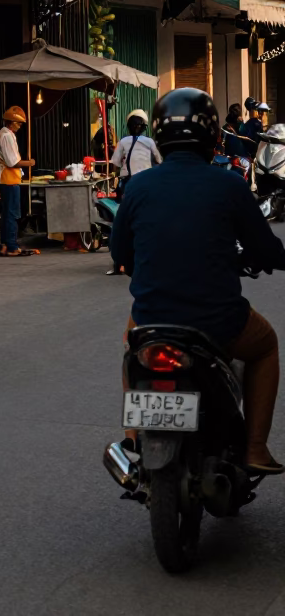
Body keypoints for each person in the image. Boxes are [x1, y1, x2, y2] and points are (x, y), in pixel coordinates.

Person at [111, 87, 285, 474]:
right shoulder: (230, 185)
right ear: (212, 136)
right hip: (218, 321)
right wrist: (273, 260)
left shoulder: (138, 187)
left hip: (155, 317)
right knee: (266, 345)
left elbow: (119, 252)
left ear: (159, 133)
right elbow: (266, 248)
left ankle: (134, 437)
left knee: (131, 342)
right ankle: (255, 448)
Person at [0, 105, 36, 258]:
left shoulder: (5, 134)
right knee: (12, 214)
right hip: (8, 179)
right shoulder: (6, 136)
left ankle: (5, 245)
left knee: (7, 214)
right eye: (18, 123)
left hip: (8, 179)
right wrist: (29, 163)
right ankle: (11, 246)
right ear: (11, 122)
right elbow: (13, 162)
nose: (19, 126)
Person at [110, 109, 161, 202]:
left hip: (128, 182)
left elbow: (115, 163)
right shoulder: (149, 141)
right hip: (146, 181)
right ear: (144, 127)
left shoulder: (123, 141)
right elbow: (159, 160)